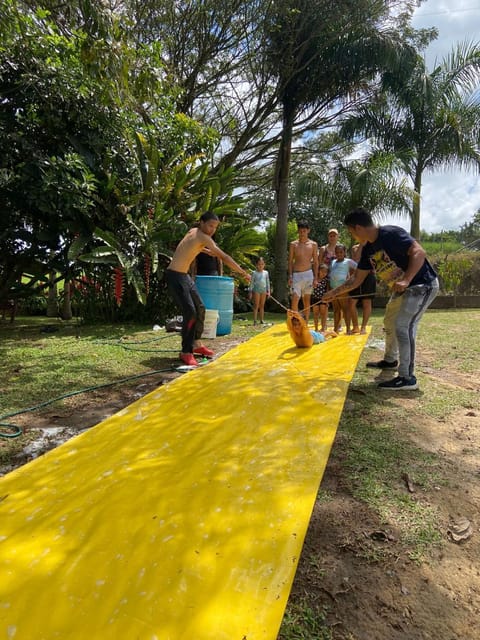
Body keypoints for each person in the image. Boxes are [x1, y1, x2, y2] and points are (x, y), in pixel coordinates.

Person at [322, 207, 439, 390]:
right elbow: (356, 279)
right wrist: (333, 293)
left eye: (351, 231)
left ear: (359, 228)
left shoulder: (391, 234)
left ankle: (408, 378)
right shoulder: (368, 249)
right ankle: (390, 360)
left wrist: (407, 279)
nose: (352, 236)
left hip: (421, 285)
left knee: (403, 325)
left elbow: (419, 252)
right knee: (390, 321)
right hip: (401, 290)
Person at [166, 211, 251, 367]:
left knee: (200, 308)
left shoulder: (193, 231)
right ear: (202, 222)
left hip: (184, 276)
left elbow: (189, 245)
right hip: (175, 276)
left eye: (215, 227)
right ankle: (186, 351)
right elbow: (224, 257)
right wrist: (243, 272)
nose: (213, 230)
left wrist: (204, 250)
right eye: (210, 225)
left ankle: (196, 344)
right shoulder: (203, 237)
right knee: (190, 313)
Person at [288, 220, 318, 324]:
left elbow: (316, 262)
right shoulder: (293, 244)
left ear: (308, 231)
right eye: (300, 231)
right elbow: (290, 261)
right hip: (296, 274)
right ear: (298, 231)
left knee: (307, 299)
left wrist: (316, 278)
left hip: (308, 274)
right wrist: (290, 276)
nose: (302, 233)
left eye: (304, 231)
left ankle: (305, 322)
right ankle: (295, 321)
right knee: (295, 298)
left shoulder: (313, 244)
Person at [348, 242, 376, 334]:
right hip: (356, 276)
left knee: (367, 302)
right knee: (351, 303)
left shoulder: (372, 246)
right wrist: (361, 243)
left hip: (369, 275)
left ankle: (363, 327)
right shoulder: (355, 247)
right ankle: (355, 326)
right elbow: (356, 258)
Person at [329, 244, 357, 333]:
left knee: (345, 308)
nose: (339, 254)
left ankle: (348, 329)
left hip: (342, 289)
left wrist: (351, 279)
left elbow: (359, 269)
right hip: (333, 289)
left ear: (344, 252)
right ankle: (335, 329)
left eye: (341, 252)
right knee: (336, 309)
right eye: (337, 252)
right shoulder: (333, 262)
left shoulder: (348, 261)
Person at [248, 257, 270, 325]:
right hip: (256, 290)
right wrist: (250, 291)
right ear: (256, 265)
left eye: (262, 264)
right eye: (259, 264)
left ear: (264, 265)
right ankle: (255, 320)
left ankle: (261, 320)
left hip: (263, 291)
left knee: (262, 306)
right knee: (256, 305)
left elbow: (267, 282)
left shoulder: (266, 272)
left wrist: (268, 291)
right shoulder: (254, 273)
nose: (260, 266)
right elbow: (251, 283)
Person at [311, 263, 329, 332]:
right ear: (318, 271)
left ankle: (323, 328)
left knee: (323, 314)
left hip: (323, 299)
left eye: (326, 272)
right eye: (322, 271)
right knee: (315, 314)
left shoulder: (326, 280)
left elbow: (327, 291)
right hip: (315, 298)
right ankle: (316, 328)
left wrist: (327, 301)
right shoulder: (314, 279)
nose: (324, 273)